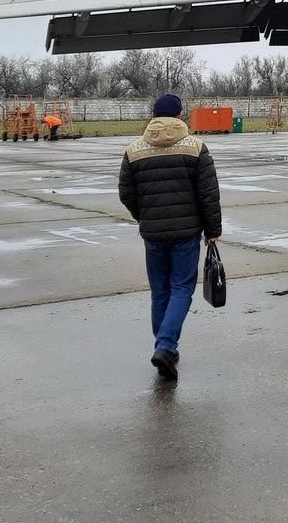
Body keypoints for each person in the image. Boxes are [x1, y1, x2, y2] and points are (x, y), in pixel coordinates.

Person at [117, 94, 222, 380]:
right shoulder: (196, 148)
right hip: (187, 234)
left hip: (153, 233)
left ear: (153, 114)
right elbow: (209, 194)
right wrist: (212, 230)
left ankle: (165, 347)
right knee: (181, 289)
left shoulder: (134, 150)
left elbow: (126, 193)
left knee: (160, 290)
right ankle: (166, 345)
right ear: (179, 114)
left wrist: (146, 216)